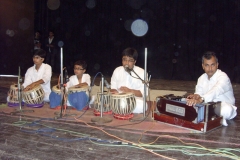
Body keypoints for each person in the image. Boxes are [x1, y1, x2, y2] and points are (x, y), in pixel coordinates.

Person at [186, 51, 237, 126]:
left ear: (217, 65)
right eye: (207, 65)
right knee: (187, 104)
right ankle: (211, 117)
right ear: (203, 66)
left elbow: (216, 90)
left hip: (223, 106)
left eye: (212, 65)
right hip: (207, 106)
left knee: (226, 110)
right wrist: (196, 96)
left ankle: (211, 117)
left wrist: (201, 99)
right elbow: (199, 93)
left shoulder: (223, 77)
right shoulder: (201, 78)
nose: (210, 68)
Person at [110, 47, 148, 114]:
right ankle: (123, 109)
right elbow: (113, 88)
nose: (126, 63)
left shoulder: (142, 72)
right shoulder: (117, 70)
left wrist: (130, 91)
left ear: (135, 62)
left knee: (143, 106)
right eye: (124, 60)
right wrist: (115, 93)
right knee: (102, 100)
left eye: (130, 60)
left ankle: (120, 109)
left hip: (134, 100)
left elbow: (143, 93)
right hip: (119, 99)